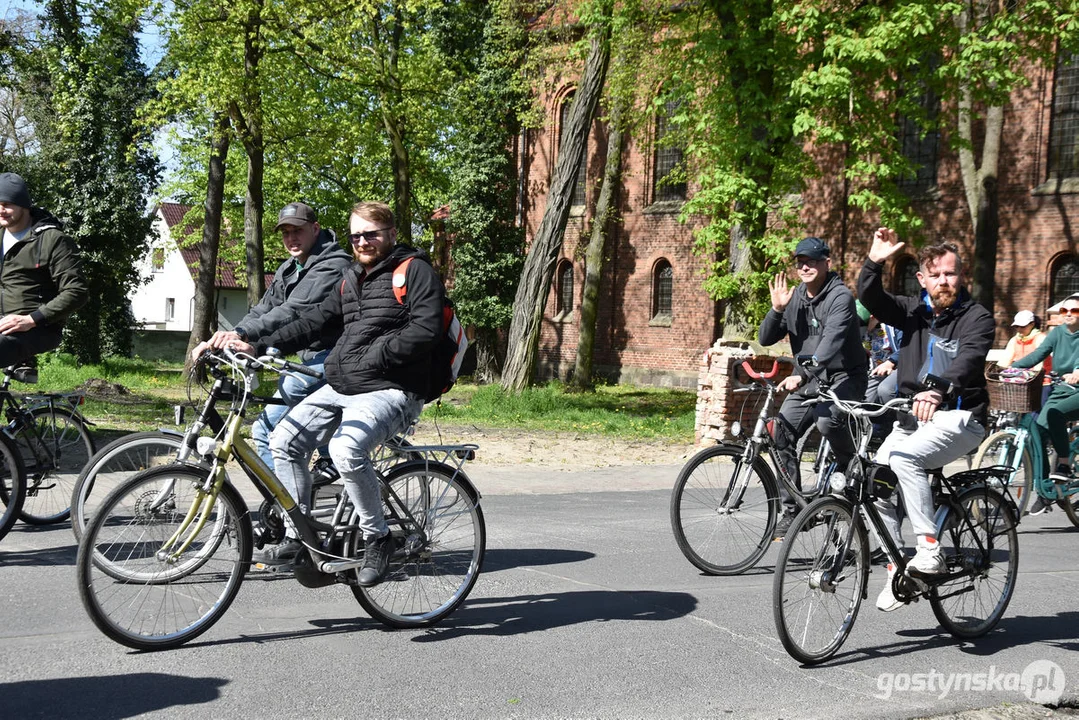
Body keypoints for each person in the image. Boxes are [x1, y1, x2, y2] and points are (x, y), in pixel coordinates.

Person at [228, 201, 444, 586]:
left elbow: (426, 331)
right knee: (282, 439)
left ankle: (378, 538)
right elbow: (314, 321)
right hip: (345, 384)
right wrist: (257, 345)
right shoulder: (350, 277)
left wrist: (374, 358)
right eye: (356, 235)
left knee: (345, 449)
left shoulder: (415, 271)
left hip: (394, 388)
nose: (362, 241)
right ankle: (300, 535)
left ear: (391, 234)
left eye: (371, 234)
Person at [858, 228, 995, 612]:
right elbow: (869, 297)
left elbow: (968, 358)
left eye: (950, 273)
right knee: (876, 483)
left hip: (959, 417)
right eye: (935, 275)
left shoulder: (976, 317)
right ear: (922, 279)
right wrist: (874, 261)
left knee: (904, 460)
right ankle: (895, 567)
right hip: (911, 418)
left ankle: (930, 550)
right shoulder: (912, 313)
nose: (943, 281)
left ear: (961, 275)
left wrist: (938, 388)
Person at [192, 202, 351, 467]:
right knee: (263, 430)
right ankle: (288, 500)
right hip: (309, 358)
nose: (291, 238)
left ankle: (309, 488)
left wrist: (243, 334)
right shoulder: (290, 268)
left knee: (290, 390)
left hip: (336, 359)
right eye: (285, 232)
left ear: (315, 228)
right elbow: (264, 309)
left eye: (297, 230)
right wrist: (230, 336)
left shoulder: (333, 266)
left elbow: (292, 310)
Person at [758, 236, 869, 539]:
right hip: (811, 379)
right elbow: (765, 338)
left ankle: (851, 468)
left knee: (827, 420)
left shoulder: (840, 297)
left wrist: (802, 376)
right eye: (800, 262)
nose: (805, 266)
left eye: (812, 261)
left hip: (845, 377)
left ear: (826, 263)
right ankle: (794, 511)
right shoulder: (795, 298)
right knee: (777, 431)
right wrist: (778, 310)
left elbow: (830, 344)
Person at [0, 172, 88, 373]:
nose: (1, 210)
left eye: (7, 203)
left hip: (37, 329)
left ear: (24, 205)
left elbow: (76, 291)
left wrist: (30, 319)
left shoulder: (52, 240)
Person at [1009, 294, 1079, 515]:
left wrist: (1077, 372)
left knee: (1055, 414)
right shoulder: (1057, 333)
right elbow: (1039, 354)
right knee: (1037, 432)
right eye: (1064, 311)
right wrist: (1012, 368)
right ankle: (1045, 489)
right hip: (1061, 389)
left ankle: (1065, 464)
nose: (1068, 314)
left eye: (1074, 311)